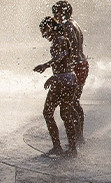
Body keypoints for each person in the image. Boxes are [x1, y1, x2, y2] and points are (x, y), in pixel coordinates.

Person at [34, 16, 84, 156]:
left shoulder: (59, 40)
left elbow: (60, 57)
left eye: (44, 31)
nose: (44, 35)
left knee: (48, 113)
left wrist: (48, 69)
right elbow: (63, 58)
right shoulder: (63, 38)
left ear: (50, 27)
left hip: (62, 80)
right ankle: (72, 148)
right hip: (69, 79)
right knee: (65, 114)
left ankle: (58, 146)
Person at [52, 0, 90, 96]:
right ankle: (80, 112)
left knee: (72, 101)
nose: (55, 18)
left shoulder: (67, 26)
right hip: (82, 63)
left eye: (55, 14)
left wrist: (67, 69)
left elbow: (72, 49)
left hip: (76, 65)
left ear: (62, 13)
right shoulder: (74, 23)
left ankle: (79, 112)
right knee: (73, 101)